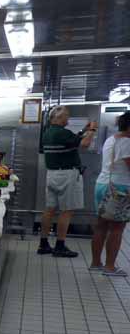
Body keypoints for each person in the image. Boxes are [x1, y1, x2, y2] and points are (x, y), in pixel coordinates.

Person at [38, 106, 97, 257]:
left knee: (49, 209)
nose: (68, 119)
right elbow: (84, 144)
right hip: (68, 175)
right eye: (66, 116)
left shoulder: (47, 133)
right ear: (57, 118)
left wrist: (83, 131)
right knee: (67, 211)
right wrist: (92, 131)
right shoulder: (63, 133)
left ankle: (43, 244)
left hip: (52, 174)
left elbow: (73, 140)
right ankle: (60, 246)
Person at [91, 112, 130, 277]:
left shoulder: (111, 139)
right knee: (117, 228)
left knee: (101, 226)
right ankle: (110, 266)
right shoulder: (127, 142)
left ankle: (96, 263)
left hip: (102, 184)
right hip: (118, 188)